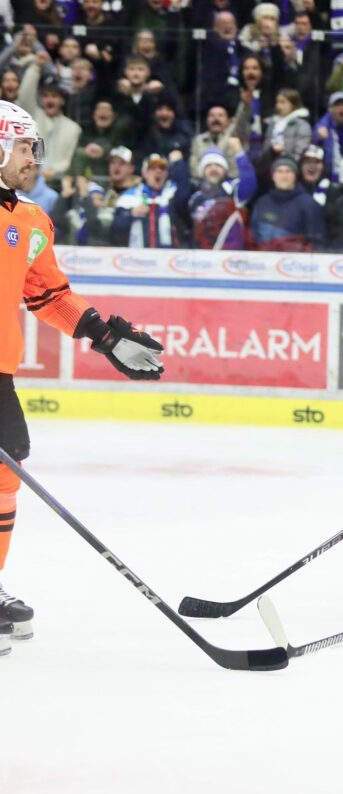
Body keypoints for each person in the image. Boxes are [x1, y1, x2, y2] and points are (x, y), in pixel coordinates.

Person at [0, 100, 164, 653]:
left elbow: (48, 295)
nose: (34, 158)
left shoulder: (31, 220)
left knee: (6, 470)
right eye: (25, 147)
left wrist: (104, 335)